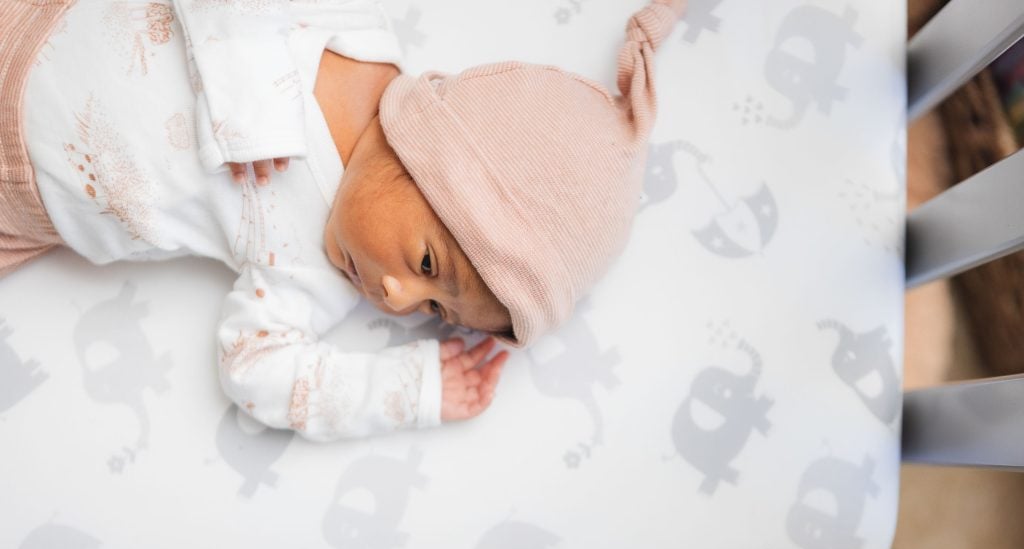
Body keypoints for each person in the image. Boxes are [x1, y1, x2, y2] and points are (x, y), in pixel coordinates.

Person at [0, 0, 685, 441]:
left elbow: (253, 368)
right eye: (427, 267)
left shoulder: (317, 274)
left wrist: (404, 388)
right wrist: (250, 104)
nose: (395, 299)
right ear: (429, 149)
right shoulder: (352, 35)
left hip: (25, 209)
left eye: (435, 311)